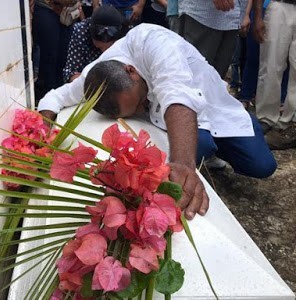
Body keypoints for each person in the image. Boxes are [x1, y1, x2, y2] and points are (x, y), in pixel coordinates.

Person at [38, 24, 277, 220]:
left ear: (131, 70)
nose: (145, 106)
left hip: (215, 110)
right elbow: (55, 96)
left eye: (142, 100)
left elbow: (177, 97)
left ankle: (230, 139)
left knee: (262, 166)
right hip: (188, 126)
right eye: (138, 110)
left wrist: (183, 165)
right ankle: (208, 153)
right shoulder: (94, 78)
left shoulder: (152, 42)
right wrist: (41, 134)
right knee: (201, 145)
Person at [253, 0, 296, 149]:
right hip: (279, 5)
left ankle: (290, 122)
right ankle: (266, 118)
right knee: (271, 65)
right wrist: (258, 17)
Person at [175, 0, 249, 78]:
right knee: (194, 78)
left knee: (216, 81)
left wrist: (244, 14)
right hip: (201, 16)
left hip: (233, 19)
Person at [63, 5, 128, 83]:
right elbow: (70, 72)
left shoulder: (126, 36)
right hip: (88, 82)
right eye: (99, 47)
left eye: (108, 48)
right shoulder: (81, 31)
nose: (104, 51)